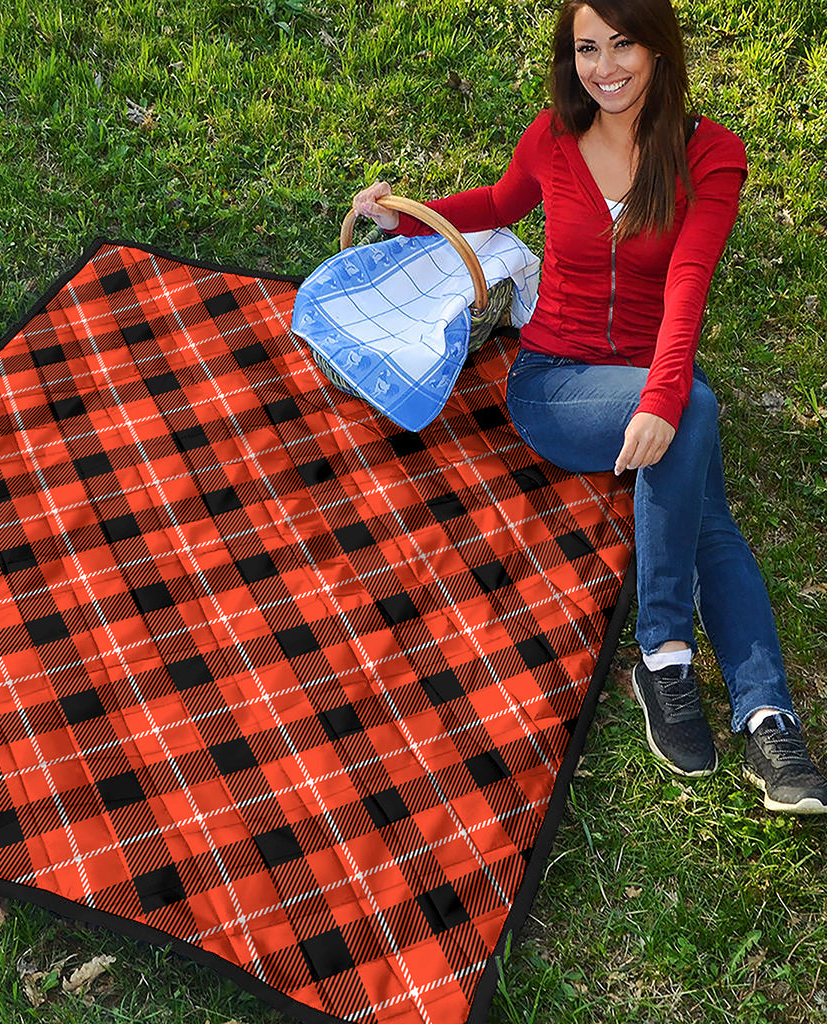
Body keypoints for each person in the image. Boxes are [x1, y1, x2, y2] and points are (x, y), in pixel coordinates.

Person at [351, 0, 826, 813]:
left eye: (623, 44)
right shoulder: (553, 137)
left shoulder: (710, 155)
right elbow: (498, 206)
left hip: (647, 376)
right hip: (553, 384)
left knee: (703, 486)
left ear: (659, 49)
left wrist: (664, 396)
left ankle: (762, 713)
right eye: (586, 49)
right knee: (696, 422)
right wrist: (406, 220)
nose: (604, 67)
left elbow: (688, 285)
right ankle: (671, 655)